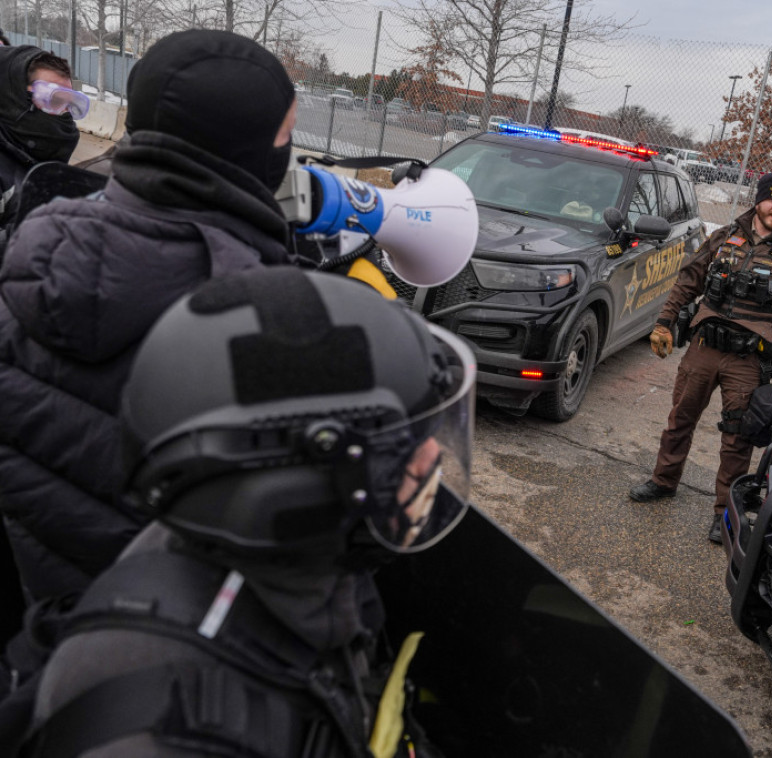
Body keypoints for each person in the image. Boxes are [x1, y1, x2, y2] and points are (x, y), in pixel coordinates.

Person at [22, 267, 474, 757]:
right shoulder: (167, 734)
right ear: (291, 491)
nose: (432, 459)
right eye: (407, 445)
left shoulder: (272, 569)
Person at [0, 28, 297, 626]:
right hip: (137, 640)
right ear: (253, 145)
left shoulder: (43, 242)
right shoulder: (256, 312)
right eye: (286, 130)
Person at [628, 170, 772, 544]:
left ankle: (724, 514)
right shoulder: (723, 237)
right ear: (759, 200)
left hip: (748, 362)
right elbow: (689, 280)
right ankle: (663, 481)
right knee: (679, 418)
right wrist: (664, 323)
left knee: (737, 438)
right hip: (704, 348)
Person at [0, 46, 82, 212]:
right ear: (16, 99)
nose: (63, 114)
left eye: (69, 104)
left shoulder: (51, 171)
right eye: (53, 100)